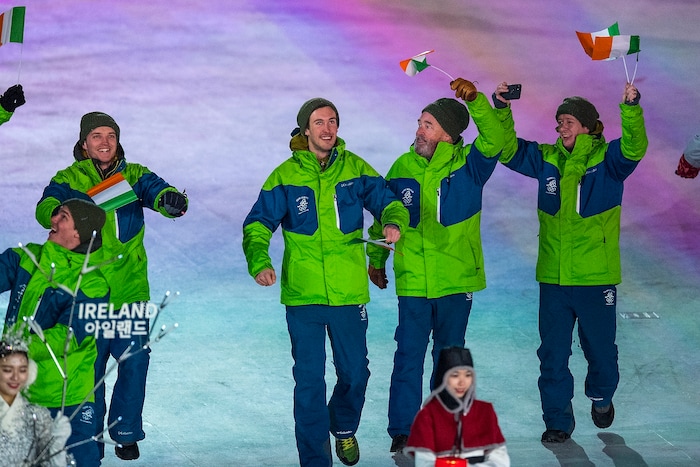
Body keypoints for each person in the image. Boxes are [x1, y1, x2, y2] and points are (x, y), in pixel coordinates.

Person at [242, 97, 409, 467]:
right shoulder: (285, 176)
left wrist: (393, 221)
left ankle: (344, 426)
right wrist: (260, 263)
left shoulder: (354, 168)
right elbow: (256, 225)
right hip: (304, 297)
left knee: (355, 374)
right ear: (305, 130)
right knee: (309, 384)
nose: (327, 128)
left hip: (349, 293)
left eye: (332, 121)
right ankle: (315, 461)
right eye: (319, 122)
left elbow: (387, 200)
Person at [492, 81, 648, 443]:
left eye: (569, 121)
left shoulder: (607, 160)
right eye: (559, 120)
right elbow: (507, 150)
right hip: (554, 278)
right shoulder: (547, 159)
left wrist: (631, 109)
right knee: (552, 354)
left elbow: (635, 146)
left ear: (589, 126)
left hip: (596, 278)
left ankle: (602, 396)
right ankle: (558, 422)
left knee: (601, 352)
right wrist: (501, 109)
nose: (561, 126)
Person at [35, 112, 189, 461]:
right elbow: (45, 207)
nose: (104, 142)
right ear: (84, 143)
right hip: (86, 293)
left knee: (134, 361)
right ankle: (89, 439)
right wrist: (57, 212)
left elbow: (159, 191)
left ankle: (125, 431)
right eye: (96, 136)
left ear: (117, 140)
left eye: (110, 135)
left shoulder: (133, 175)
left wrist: (170, 200)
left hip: (130, 291)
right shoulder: (70, 178)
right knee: (89, 371)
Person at [365, 78, 504, 453]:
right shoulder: (402, 165)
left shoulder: (470, 166)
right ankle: (404, 431)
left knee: (449, 358)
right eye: (420, 122)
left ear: (448, 134)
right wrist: (376, 258)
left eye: (428, 124)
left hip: (455, 282)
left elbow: (495, 139)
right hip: (412, 281)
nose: (419, 130)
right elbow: (383, 215)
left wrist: (476, 102)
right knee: (407, 355)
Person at [2, 198, 109, 465]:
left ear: (78, 233)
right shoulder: (28, 258)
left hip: (65, 399)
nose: (53, 219)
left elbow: (68, 336)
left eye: (63, 216)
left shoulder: (93, 285)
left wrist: (16, 348)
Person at [404, 346, 509, 466]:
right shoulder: (428, 416)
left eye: (468, 375)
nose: (462, 382)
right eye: (455, 375)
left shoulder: (485, 412)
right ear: (443, 378)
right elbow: (424, 463)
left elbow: (500, 461)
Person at [0, 336, 73, 466]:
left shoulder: (38, 417)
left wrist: (56, 446)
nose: (15, 377)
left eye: (22, 370)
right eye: (7, 370)